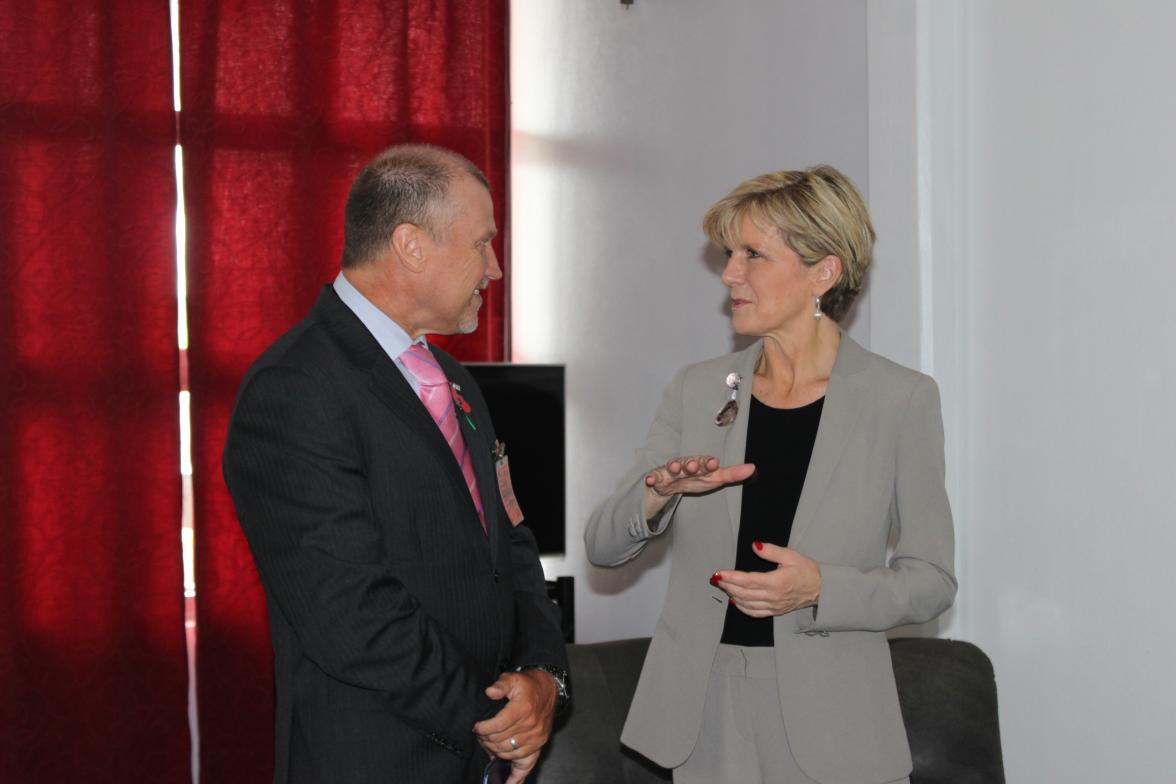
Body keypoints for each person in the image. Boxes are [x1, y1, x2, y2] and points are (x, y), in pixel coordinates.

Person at [585, 165, 956, 784]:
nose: (730, 274)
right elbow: (602, 544)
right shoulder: (697, 388)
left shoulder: (900, 399)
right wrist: (657, 495)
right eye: (730, 255)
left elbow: (931, 582)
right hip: (701, 714)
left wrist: (821, 589)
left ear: (824, 271)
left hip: (835, 723)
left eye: (753, 255)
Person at [223, 144, 569, 784]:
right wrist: (492, 718)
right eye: (482, 244)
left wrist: (546, 676)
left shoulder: (455, 379)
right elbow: (349, 611)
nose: (494, 269)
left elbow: (512, 545)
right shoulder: (295, 386)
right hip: (381, 758)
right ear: (411, 246)